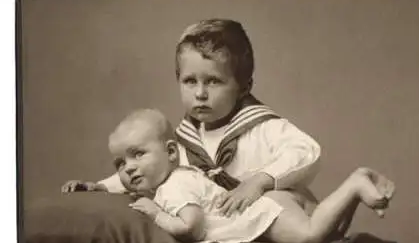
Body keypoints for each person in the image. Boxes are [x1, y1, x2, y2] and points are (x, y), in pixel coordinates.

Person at [61, 18, 383, 220]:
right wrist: (100, 187)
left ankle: (352, 194)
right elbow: (151, 170)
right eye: (190, 82)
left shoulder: (262, 126)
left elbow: (306, 151)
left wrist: (258, 182)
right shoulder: (184, 140)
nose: (199, 94)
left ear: (244, 86)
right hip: (227, 224)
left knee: (295, 214)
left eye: (213, 82)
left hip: (285, 215)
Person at [108, 108, 395, 243]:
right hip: (275, 200)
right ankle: (356, 189)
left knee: (313, 237)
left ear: (171, 152)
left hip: (262, 211)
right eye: (120, 162)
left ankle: (355, 184)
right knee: (331, 233)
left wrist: (156, 214)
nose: (128, 169)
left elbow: (192, 227)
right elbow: (130, 180)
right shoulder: (181, 170)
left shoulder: (172, 189)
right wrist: (96, 186)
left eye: (137, 155)